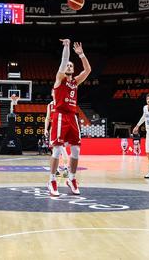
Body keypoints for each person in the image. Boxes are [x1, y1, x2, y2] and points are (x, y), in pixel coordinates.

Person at [47, 39, 91, 196]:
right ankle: (52, 180)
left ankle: (71, 179)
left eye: (71, 66)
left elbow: (87, 71)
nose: (69, 66)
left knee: (76, 150)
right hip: (59, 115)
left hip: (72, 116)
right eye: (67, 65)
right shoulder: (60, 79)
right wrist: (66, 47)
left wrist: (81, 54)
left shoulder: (75, 82)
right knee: (57, 150)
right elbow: (64, 61)